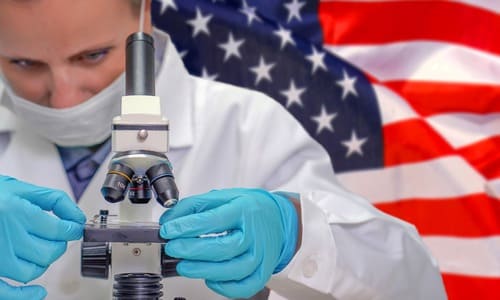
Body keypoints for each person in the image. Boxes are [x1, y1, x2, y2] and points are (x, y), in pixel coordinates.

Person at [0, 0, 447, 299]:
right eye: (24, 63)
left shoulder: (246, 125)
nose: (64, 96)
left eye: (92, 55)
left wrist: (296, 233)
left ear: (145, 22)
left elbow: (414, 284)